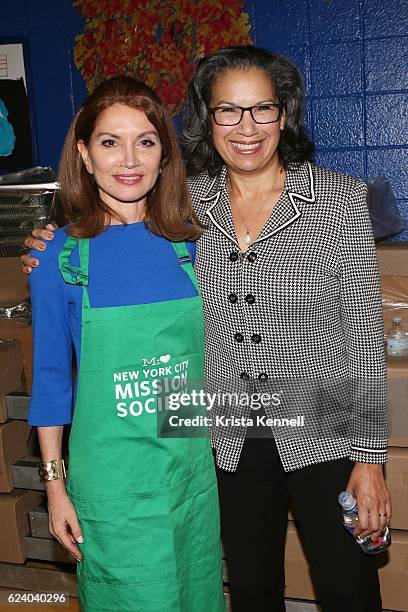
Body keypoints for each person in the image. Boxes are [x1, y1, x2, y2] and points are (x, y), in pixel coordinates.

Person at [23, 47, 391, 612]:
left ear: (285, 114)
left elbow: (365, 335)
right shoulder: (190, 204)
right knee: (249, 589)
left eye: (262, 109)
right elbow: (112, 221)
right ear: (207, 118)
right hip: (224, 435)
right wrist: (47, 245)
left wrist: (370, 458)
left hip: (323, 429)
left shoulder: (338, 201)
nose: (246, 128)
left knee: (349, 591)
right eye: (228, 111)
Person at [25, 76, 225, 612]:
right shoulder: (57, 258)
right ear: (85, 155)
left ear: (165, 154)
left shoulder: (193, 244)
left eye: (146, 140)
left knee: (196, 594)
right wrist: (55, 488)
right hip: (111, 487)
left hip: (188, 478)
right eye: (110, 142)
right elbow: (49, 384)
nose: (129, 159)